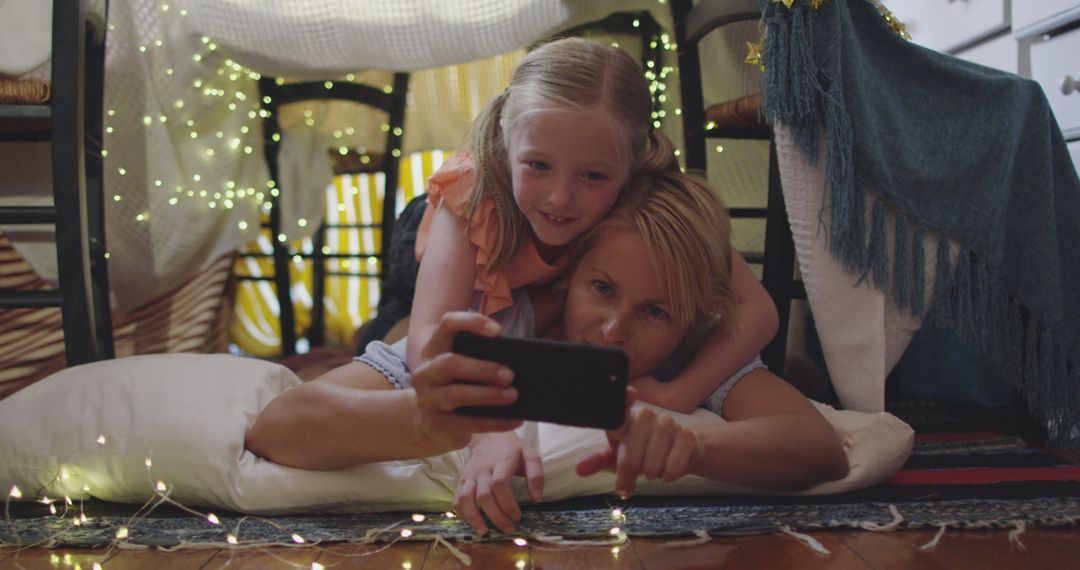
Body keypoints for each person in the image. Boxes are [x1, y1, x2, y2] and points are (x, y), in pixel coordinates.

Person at [246, 169, 849, 536]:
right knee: (389, 329)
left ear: (693, 315)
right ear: (568, 275)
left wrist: (695, 443)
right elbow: (279, 428)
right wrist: (433, 424)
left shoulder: (692, 352)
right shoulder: (502, 321)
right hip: (431, 240)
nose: (614, 331)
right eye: (602, 289)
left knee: (795, 380)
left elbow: (821, 450)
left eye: (656, 311)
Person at [404, 37, 779, 417]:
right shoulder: (469, 199)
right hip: (437, 245)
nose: (560, 197)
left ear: (632, 164)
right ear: (505, 139)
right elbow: (424, 345)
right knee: (394, 333)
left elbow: (759, 309)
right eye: (538, 165)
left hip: (532, 289)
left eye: (593, 175)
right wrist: (483, 429)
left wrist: (680, 392)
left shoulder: (641, 193)